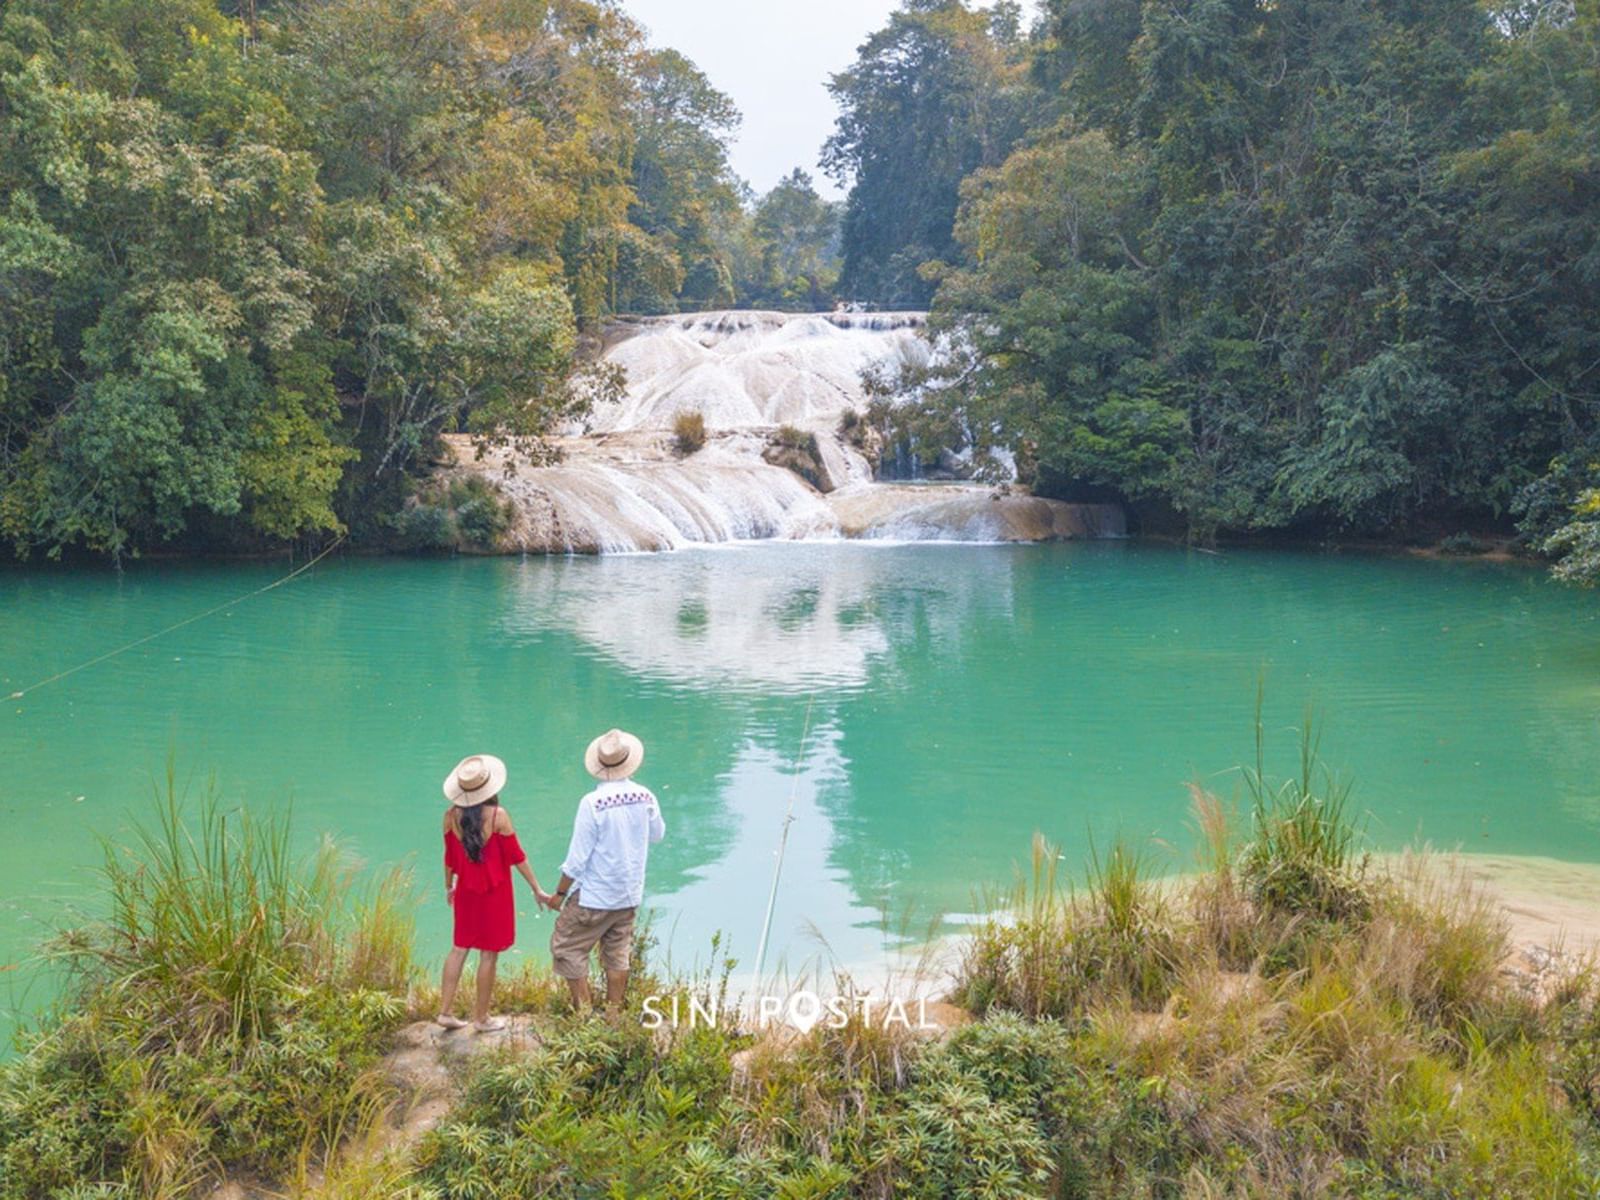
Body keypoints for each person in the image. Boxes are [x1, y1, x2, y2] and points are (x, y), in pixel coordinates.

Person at [543, 728, 664, 1018]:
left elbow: (576, 859)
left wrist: (559, 894)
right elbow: (657, 834)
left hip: (594, 896)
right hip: (628, 893)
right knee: (617, 953)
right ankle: (613, 1018)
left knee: (567, 946)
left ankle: (584, 1016)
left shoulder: (592, 803)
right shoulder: (645, 796)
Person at [438, 753, 552, 1032]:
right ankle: (481, 1019)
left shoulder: (450, 816)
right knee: (488, 955)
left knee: (458, 948)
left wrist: (448, 886)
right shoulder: (498, 816)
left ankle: (444, 1012)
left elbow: (450, 858)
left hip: (465, 891)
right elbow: (517, 857)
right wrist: (537, 888)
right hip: (495, 894)